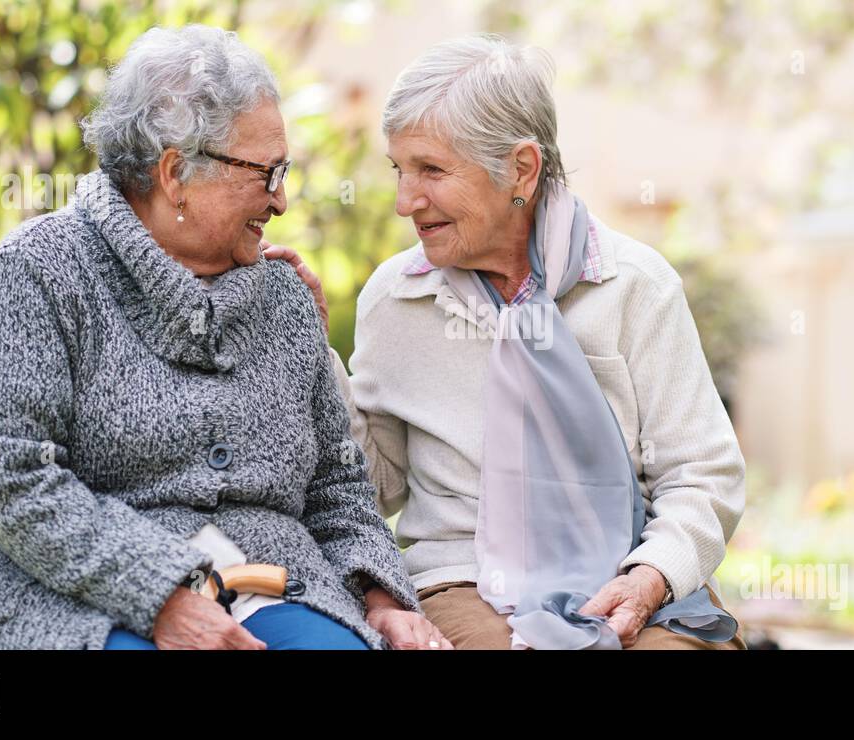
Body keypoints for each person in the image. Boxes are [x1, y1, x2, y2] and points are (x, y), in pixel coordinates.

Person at [0, 24, 450, 651]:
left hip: (276, 583)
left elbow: (337, 484)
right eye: (267, 173)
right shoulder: (38, 272)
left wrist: (382, 599)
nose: (281, 199)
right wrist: (160, 594)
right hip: (75, 594)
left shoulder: (281, 296)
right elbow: (6, 474)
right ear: (176, 174)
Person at [271, 34, 748, 649]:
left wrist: (650, 577)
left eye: (432, 170)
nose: (404, 202)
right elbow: (373, 485)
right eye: (399, 169)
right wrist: (313, 352)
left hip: (631, 572)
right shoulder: (396, 299)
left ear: (520, 169)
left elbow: (701, 473)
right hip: (463, 580)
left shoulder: (635, 287)